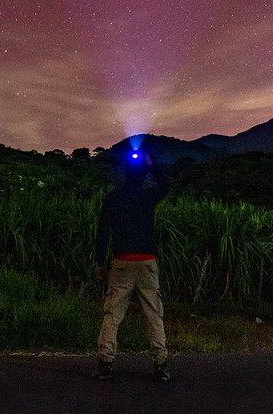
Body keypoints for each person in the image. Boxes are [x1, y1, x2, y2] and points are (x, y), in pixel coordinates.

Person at [93, 149, 171, 382]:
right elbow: (166, 185)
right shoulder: (148, 196)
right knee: (153, 314)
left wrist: (100, 262)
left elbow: (103, 232)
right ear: (142, 175)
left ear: (124, 174)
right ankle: (161, 365)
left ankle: (105, 363)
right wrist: (152, 164)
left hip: (122, 263)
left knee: (113, 313)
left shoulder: (113, 197)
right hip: (147, 262)